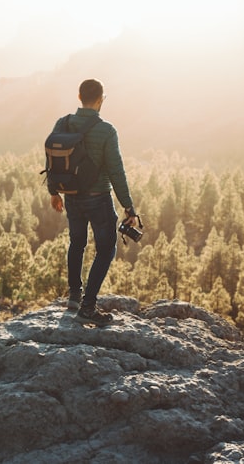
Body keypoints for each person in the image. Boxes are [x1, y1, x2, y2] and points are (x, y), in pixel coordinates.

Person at [50, 78, 138, 326]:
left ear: (79, 98)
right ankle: (88, 307)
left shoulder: (63, 123)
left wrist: (54, 192)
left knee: (76, 243)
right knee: (107, 248)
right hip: (98, 199)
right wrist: (128, 206)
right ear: (101, 100)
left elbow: (52, 159)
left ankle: (74, 297)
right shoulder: (106, 130)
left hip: (71, 197)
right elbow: (116, 171)